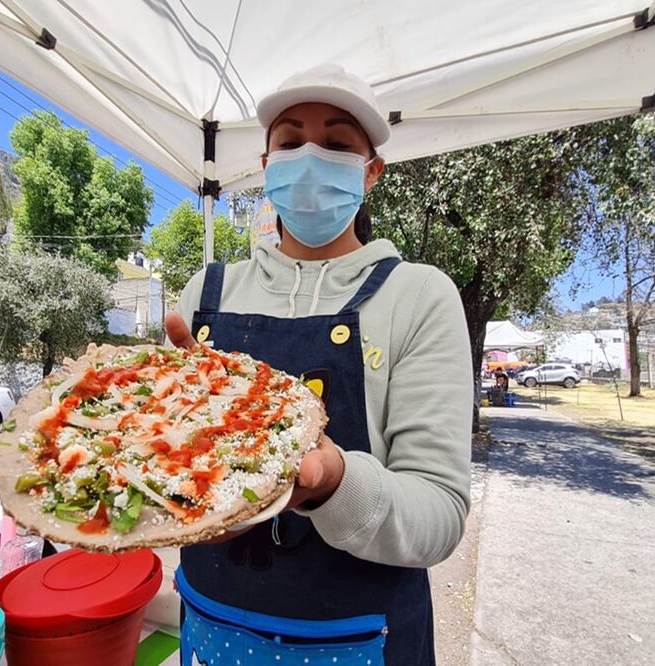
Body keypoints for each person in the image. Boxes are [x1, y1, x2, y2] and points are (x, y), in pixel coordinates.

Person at [163, 64, 473, 665]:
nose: (310, 157)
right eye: (290, 142)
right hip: (212, 630)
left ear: (371, 171)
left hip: (363, 641)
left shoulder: (418, 296)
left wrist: (331, 482)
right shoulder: (206, 293)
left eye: (336, 144)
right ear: (265, 164)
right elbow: (171, 479)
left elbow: (439, 513)